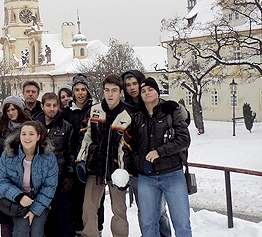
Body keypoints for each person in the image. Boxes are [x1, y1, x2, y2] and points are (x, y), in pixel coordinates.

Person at [123, 78, 192, 237]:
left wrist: (160, 152)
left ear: (157, 92)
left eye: (150, 89)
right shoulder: (137, 117)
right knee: (148, 225)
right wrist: (137, 163)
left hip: (172, 174)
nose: (147, 93)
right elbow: (129, 145)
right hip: (147, 179)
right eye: (143, 91)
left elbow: (184, 139)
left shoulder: (171, 111)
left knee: (182, 224)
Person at [76, 75, 132, 237]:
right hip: (96, 167)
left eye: (114, 90)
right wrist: (81, 160)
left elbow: (125, 148)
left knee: (119, 210)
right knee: (89, 207)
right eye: (107, 90)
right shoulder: (94, 110)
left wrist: (124, 172)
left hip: (115, 170)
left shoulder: (127, 115)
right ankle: (90, 235)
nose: (110, 94)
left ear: (121, 93)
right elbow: (86, 137)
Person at [121, 70, 171, 237]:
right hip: (138, 167)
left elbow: (179, 122)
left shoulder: (158, 104)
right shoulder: (125, 108)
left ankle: (164, 235)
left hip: (160, 165)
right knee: (145, 209)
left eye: (135, 84)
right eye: (128, 85)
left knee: (160, 209)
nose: (132, 88)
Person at [0, 121, 58, 237]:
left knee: (36, 232)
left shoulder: (48, 157)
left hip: (39, 199)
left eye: (31, 134)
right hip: (16, 200)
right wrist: (19, 196)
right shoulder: (9, 154)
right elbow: (0, 180)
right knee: (21, 231)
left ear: (38, 137)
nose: (27, 138)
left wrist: (34, 210)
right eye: (23, 134)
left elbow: (50, 186)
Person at [33, 93, 76, 237]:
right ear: (42, 106)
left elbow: (71, 152)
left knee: (63, 219)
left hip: (60, 177)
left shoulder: (66, 126)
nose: (52, 109)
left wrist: (70, 175)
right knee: (45, 220)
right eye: (48, 105)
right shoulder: (34, 126)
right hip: (39, 179)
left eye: (55, 105)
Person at [62, 73, 94, 232]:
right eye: (77, 90)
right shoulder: (66, 112)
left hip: (90, 162)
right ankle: (76, 230)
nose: (80, 93)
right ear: (73, 92)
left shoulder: (94, 110)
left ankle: (93, 230)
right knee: (73, 199)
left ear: (87, 91)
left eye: (83, 89)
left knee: (90, 201)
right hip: (71, 160)